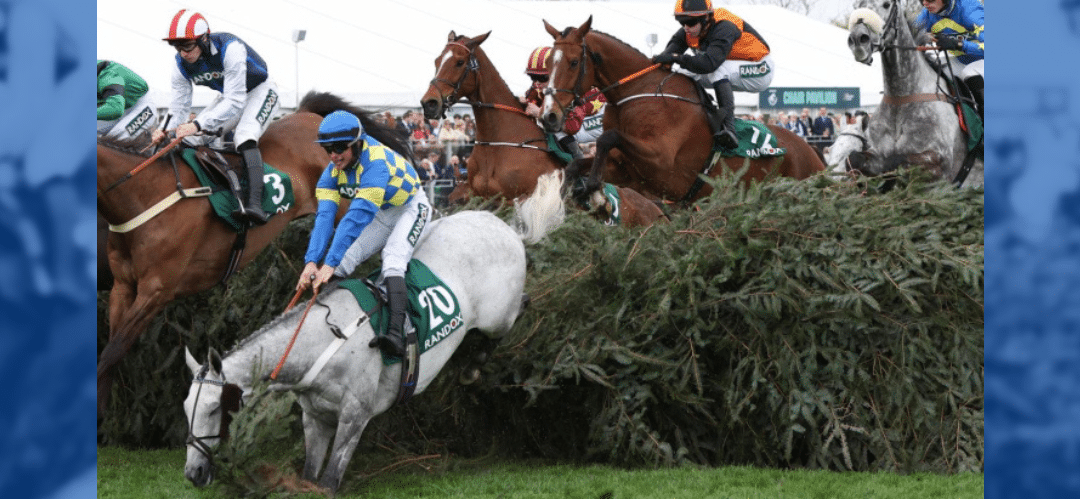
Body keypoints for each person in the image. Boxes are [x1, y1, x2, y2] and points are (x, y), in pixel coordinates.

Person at [296, 110, 431, 357]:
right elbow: (325, 218)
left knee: (392, 258)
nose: (334, 156)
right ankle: (322, 325)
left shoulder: (376, 163)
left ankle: (396, 334)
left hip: (411, 207)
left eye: (339, 148)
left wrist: (330, 262)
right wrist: (312, 261)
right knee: (346, 260)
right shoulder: (332, 172)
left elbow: (356, 218)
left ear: (358, 143)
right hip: (384, 211)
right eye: (328, 149)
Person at [150, 10, 281, 224]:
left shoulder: (230, 48)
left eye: (187, 46)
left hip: (260, 91)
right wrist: (164, 129)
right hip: (229, 97)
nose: (182, 53)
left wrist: (198, 123)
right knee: (188, 139)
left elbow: (236, 100)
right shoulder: (179, 64)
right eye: (177, 47)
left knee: (244, 135)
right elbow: (178, 108)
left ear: (204, 38)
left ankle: (255, 204)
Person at [651, 0, 774, 150]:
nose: (686, 28)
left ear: (706, 18)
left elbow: (708, 65)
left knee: (716, 71)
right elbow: (669, 56)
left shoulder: (724, 27)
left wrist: (676, 58)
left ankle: (729, 130)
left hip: (760, 69)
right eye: (681, 22)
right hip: (731, 67)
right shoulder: (690, 30)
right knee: (681, 75)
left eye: (690, 22)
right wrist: (662, 61)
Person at [522, 46, 606, 161]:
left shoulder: (583, 92)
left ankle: (578, 161)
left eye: (542, 78)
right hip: (576, 124)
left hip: (593, 128)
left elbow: (571, 127)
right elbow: (529, 101)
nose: (537, 83)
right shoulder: (540, 85)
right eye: (533, 77)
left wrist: (539, 112)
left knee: (551, 126)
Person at [915, 0, 984, 117]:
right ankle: (968, 118)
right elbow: (907, 33)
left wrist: (959, 44)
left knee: (970, 72)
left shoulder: (969, 11)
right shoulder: (927, 13)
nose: (925, 3)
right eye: (922, 0)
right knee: (937, 72)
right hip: (962, 60)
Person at [97, 60, 159, 146]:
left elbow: (116, 109)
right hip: (120, 108)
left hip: (142, 107)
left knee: (114, 139)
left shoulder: (108, 75)